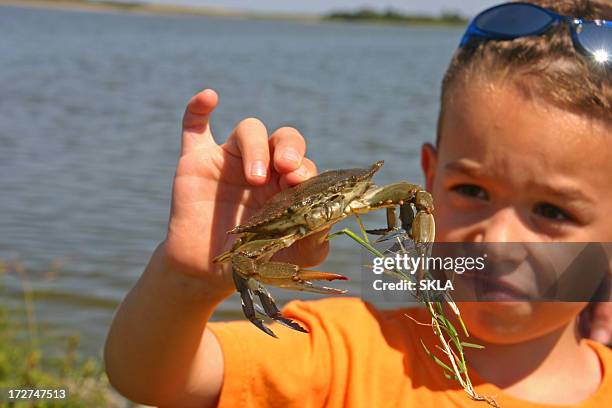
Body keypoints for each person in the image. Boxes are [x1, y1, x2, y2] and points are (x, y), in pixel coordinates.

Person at [104, 0, 612, 406]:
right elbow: (150, 380)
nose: (496, 241)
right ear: (430, 181)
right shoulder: (342, 350)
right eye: (472, 191)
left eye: (552, 211)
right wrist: (188, 280)